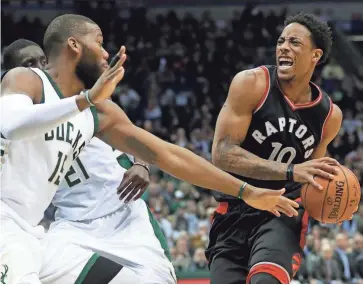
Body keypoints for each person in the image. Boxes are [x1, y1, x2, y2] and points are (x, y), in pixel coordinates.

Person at [0, 14, 300, 284]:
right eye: (100, 42)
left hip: (46, 232)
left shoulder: (97, 112)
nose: (107, 53)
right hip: (14, 224)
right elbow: (11, 125)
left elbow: (167, 154)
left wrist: (247, 192)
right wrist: (88, 99)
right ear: (74, 45)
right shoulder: (27, 79)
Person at [206, 12, 344, 284]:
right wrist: (291, 170)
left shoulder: (329, 115)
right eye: (281, 41)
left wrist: (332, 199)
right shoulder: (252, 84)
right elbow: (222, 153)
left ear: (315, 56)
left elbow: (311, 180)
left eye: (294, 43)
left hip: (282, 215)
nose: (283, 47)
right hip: (235, 208)